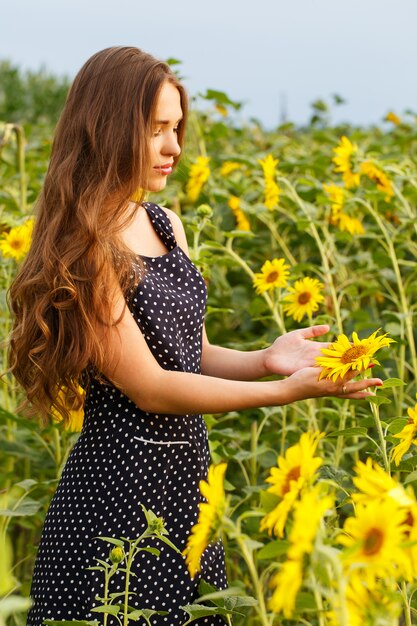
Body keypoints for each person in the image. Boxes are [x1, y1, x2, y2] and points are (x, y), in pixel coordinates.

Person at [7, 47, 382, 626]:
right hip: (116, 500)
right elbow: (153, 386)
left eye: (176, 128)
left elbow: (189, 353)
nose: (174, 147)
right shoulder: (86, 247)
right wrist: (286, 393)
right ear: (106, 130)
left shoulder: (163, 223)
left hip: (187, 490)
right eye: (157, 129)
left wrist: (266, 359)